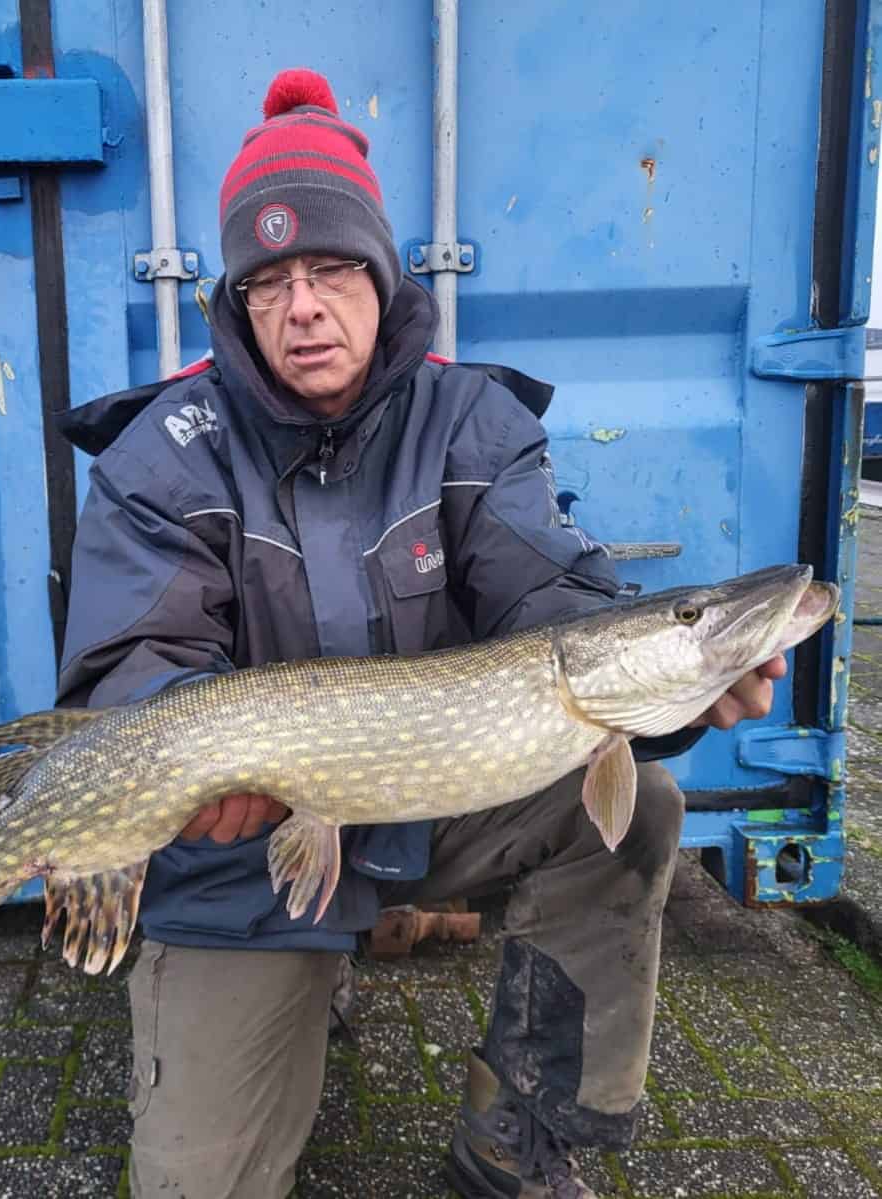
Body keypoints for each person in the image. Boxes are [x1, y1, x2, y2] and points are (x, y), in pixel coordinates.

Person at [57, 68, 785, 1199]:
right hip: (238, 856)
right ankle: (305, 964)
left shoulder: (470, 420)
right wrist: (195, 767)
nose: (305, 305)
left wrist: (682, 685)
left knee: (638, 800)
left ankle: (521, 1127)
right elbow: (127, 671)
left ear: (382, 276)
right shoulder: (163, 454)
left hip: (434, 802)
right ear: (238, 302)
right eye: (271, 278)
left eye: (334, 269)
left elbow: (555, 603)